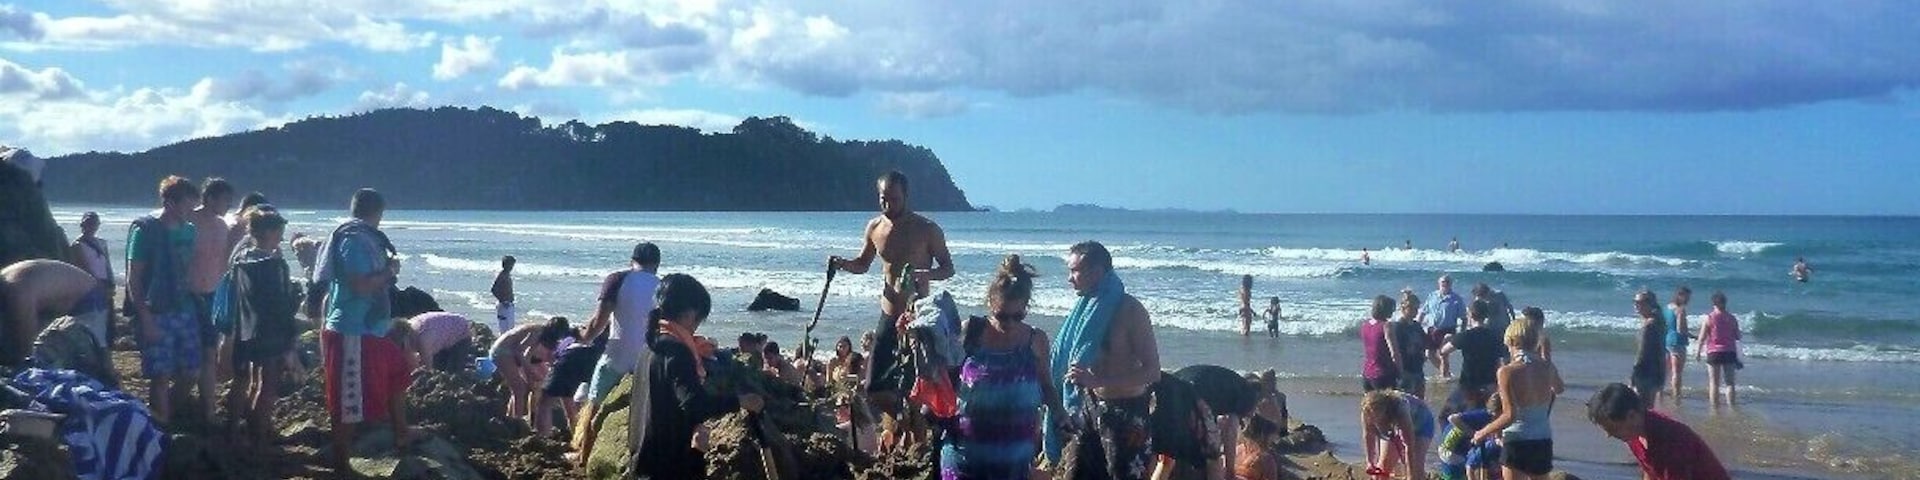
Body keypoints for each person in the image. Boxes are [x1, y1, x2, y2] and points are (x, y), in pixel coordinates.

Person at [829, 171, 956, 441]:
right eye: (883, 199)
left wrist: (927, 274)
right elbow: (863, 264)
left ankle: (920, 438)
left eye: (894, 199)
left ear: (906, 196)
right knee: (873, 386)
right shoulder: (875, 227)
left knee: (916, 387)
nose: (888, 205)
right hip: (888, 315)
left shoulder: (927, 229)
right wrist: (842, 264)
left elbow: (948, 268)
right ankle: (907, 420)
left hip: (918, 319)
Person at [1046, 241, 1161, 480]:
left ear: (1096, 272)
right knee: (1074, 475)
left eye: (1074, 271)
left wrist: (1098, 379)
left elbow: (1152, 372)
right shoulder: (1086, 309)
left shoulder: (1130, 310)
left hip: (1126, 412)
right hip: (1089, 407)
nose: (1070, 279)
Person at [631, 273, 765, 478]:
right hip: (668, 465)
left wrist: (692, 428)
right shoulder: (677, 351)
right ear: (690, 313)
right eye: (699, 319)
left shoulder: (650, 347)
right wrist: (741, 401)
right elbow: (695, 403)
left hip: (644, 458)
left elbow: (663, 403)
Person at [940, 254, 1060, 480]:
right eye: (1002, 315)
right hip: (965, 454)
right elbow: (946, 380)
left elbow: (1047, 386)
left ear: (1026, 307)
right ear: (989, 303)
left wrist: (1060, 415)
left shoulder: (1036, 340)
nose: (1010, 323)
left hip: (1014, 457)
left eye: (1018, 315)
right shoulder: (970, 332)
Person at [314, 188, 410, 469]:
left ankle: (401, 431)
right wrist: (389, 272)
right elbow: (359, 283)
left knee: (398, 372)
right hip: (351, 329)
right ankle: (342, 464)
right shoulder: (354, 240)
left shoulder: (365, 238)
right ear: (379, 212)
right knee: (348, 401)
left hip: (372, 329)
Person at [571, 242, 663, 463]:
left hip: (616, 357)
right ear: (657, 265)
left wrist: (583, 338)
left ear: (632, 260)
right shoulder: (663, 286)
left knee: (593, 407)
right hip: (647, 361)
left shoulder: (618, 279)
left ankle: (584, 459)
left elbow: (598, 323)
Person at [127, 176, 204, 423]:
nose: (191, 212)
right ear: (170, 203)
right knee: (160, 375)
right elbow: (134, 278)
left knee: (192, 371)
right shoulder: (145, 231)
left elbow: (188, 270)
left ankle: (165, 415)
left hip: (185, 308)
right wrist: (145, 318)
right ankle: (163, 427)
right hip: (156, 311)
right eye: (187, 206)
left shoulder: (190, 231)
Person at [217, 208, 299, 441]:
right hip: (270, 333)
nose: (281, 238)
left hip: (245, 330)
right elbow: (280, 306)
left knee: (245, 382)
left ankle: (233, 432)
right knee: (267, 387)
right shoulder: (275, 265)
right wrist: (290, 341)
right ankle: (258, 437)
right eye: (279, 233)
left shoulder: (241, 260)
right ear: (270, 232)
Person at [1472, 318, 1563, 480]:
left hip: (1517, 440)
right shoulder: (1547, 366)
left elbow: (1510, 415)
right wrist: (1546, 357)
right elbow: (1559, 389)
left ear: (1513, 342)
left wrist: (1483, 432)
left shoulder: (1507, 372)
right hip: (1542, 438)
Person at [1586, 383, 1732, 480]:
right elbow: (1649, 472)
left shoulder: (1671, 440)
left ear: (1632, 415)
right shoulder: (1635, 435)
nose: (1609, 435)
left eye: (1613, 429)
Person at [188, 177, 235, 417]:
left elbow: (225, 261)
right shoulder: (189, 221)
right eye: (225, 199)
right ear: (210, 198)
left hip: (213, 296)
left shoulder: (221, 225)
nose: (228, 205)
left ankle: (208, 409)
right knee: (190, 353)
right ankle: (181, 402)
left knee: (209, 352)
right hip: (188, 295)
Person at [0, 260, 100, 365]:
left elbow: (25, 346)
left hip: (87, 297)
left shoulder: (18, 293)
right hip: (53, 297)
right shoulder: (7, 284)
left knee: (88, 356)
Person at [491, 317, 570, 424]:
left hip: (509, 352)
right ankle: (517, 423)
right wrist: (531, 372)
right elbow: (519, 351)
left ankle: (510, 419)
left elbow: (527, 356)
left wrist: (530, 376)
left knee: (520, 388)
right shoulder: (538, 331)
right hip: (503, 351)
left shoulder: (541, 334)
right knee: (519, 389)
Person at [1437, 299, 1508, 409]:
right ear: (1486, 315)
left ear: (1470, 314)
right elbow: (1502, 361)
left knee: (1447, 415)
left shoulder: (1465, 336)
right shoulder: (1496, 336)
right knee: (1487, 414)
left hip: (1469, 383)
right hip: (1490, 383)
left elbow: (1443, 351)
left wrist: (1446, 340)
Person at [1359, 390, 1434, 480]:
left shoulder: (1400, 409)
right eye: (1371, 413)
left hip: (1422, 422)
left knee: (1416, 468)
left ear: (1384, 409)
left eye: (1377, 412)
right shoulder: (1367, 412)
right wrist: (1370, 462)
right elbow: (1368, 435)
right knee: (1383, 466)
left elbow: (1409, 446)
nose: (1374, 416)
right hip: (1393, 424)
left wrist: (1410, 475)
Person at [538, 326, 599, 436]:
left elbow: (555, 361)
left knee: (544, 402)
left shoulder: (561, 344)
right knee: (576, 407)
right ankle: (578, 439)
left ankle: (543, 438)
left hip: (571, 357)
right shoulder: (579, 339)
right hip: (594, 356)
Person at [68, 212, 115, 348]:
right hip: (89, 286)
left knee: (106, 322)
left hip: (104, 284)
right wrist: (96, 283)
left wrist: (110, 284)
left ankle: (103, 348)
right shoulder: (77, 245)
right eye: (88, 223)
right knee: (91, 319)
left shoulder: (101, 243)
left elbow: (107, 265)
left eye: (94, 223)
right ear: (82, 225)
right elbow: (82, 267)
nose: (91, 227)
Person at [1696, 292, 1743, 406]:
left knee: (1714, 383)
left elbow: (1702, 337)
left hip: (1714, 352)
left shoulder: (1709, 318)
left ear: (1714, 304)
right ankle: (1731, 406)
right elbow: (1738, 336)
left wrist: (1698, 352)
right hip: (1729, 352)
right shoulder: (1732, 318)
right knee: (1730, 383)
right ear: (1725, 303)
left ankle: (1714, 408)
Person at [1419, 275, 1467, 378]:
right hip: (1432, 330)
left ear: (1451, 284)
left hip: (1448, 330)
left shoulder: (1456, 299)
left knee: (1443, 354)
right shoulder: (1432, 296)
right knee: (1429, 354)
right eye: (1443, 282)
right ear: (1439, 283)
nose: (1445, 284)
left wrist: (1461, 333)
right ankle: (1446, 373)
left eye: (1447, 282)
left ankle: (1444, 377)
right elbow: (1423, 312)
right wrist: (1417, 325)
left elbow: (1464, 318)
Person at [1631, 290, 1668, 408]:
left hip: (1645, 373)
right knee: (1648, 409)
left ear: (1649, 304)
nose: (1635, 305)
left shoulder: (1649, 326)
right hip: (1656, 371)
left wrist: (1633, 376)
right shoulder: (1658, 321)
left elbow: (1642, 354)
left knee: (1641, 410)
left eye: (1639, 302)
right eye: (1634, 302)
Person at [408, 311, 475, 372]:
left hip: (460, 333)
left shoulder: (423, 338)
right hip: (442, 331)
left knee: (453, 371)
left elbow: (427, 361)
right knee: (439, 366)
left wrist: (428, 371)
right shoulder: (409, 327)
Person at [1391, 290, 1428, 399]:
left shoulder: (1417, 326)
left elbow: (1424, 342)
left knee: (1420, 400)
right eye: (1412, 309)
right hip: (1405, 370)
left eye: (1417, 309)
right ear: (1403, 309)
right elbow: (1395, 349)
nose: (1415, 312)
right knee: (1405, 401)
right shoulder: (1398, 327)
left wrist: (1423, 353)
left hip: (1418, 368)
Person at [1361, 295, 1400, 392]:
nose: (1393, 311)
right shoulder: (1386, 326)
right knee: (1389, 406)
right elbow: (1394, 353)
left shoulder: (1365, 325)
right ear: (1385, 309)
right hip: (1383, 374)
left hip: (1367, 373)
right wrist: (1400, 371)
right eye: (1391, 308)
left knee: (1370, 406)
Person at [1664, 286, 1693, 401]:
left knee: (1666, 370)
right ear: (1680, 296)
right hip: (1678, 342)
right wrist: (1692, 336)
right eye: (1687, 297)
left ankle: (1660, 393)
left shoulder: (1667, 308)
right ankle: (1677, 395)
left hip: (1667, 340)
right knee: (1677, 372)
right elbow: (1681, 330)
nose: (1688, 300)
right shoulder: (1680, 310)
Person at [493, 255, 516, 334]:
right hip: (504, 305)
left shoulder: (507, 275)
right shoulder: (502, 275)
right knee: (504, 329)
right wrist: (502, 301)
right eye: (510, 265)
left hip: (509, 304)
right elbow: (494, 290)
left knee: (510, 328)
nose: (511, 267)